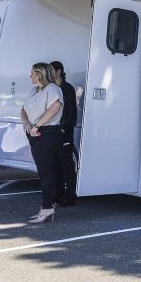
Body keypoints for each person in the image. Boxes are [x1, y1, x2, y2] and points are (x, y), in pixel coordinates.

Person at [21, 62, 63, 224]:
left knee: (47, 172)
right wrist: (27, 124)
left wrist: (37, 125)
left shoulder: (52, 89)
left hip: (47, 132)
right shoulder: (34, 90)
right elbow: (23, 110)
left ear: (40, 74)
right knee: (43, 171)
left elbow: (54, 108)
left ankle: (47, 208)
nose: (30, 75)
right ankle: (45, 207)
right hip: (34, 132)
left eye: (32, 72)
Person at [50, 60, 78, 206]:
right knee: (56, 167)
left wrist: (63, 128)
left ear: (59, 71)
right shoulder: (51, 88)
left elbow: (71, 112)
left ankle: (70, 197)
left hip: (64, 133)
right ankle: (58, 195)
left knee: (67, 167)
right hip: (53, 133)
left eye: (51, 70)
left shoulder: (67, 89)